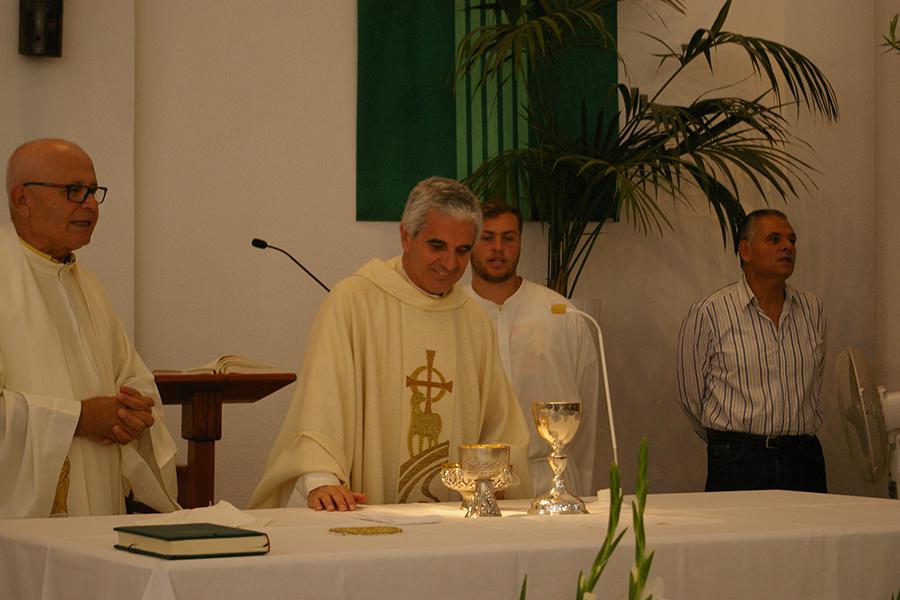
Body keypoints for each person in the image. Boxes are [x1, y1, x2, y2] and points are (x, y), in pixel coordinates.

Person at [249, 177, 531, 511]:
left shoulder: (472, 319)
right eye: (437, 246)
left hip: (453, 515)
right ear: (405, 236)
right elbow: (323, 399)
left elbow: (500, 422)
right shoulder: (354, 300)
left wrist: (495, 482)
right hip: (363, 510)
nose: (450, 264)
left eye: (462, 250)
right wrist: (322, 481)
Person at [0, 138, 179, 518]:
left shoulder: (88, 285)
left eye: (94, 191)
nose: (91, 205)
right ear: (22, 200)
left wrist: (136, 413)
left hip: (98, 512)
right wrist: (77, 418)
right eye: (73, 191)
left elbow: (131, 376)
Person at [676, 208, 827, 492]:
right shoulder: (710, 312)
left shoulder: (812, 309)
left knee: (809, 536)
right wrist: (729, 441)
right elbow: (690, 395)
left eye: (792, 240)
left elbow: (815, 381)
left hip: (802, 457)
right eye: (774, 239)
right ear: (745, 250)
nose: (788, 247)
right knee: (739, 536)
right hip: (739, 460)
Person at [464, 202, 600, 496]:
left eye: (508, 238)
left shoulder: (560, 313)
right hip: (476, 483)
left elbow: (586, 411)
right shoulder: (453, 314)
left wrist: (583, 492)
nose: (498, 248)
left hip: (548, 478)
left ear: (520, 242)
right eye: (487, 238)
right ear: (471, 243)